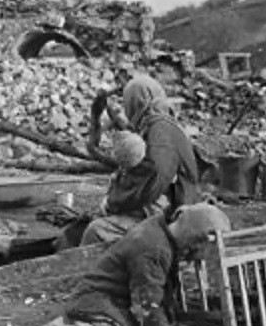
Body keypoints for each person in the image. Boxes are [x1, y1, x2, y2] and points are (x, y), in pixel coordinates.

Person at [32, 203, 231, 326]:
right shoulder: (152, 249)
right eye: (202, 245)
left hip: (121, 297)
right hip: (98, 299)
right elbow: (146, 302)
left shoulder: (163, 229)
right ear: (195, 237)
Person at [80, 74, 199, 246]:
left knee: (96, 231)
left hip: (174, 216)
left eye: (127, 103)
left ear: (136, 103)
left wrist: (114, 202)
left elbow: (151, 181)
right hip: (163, 206)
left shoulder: (161, 131)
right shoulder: (153, 126)